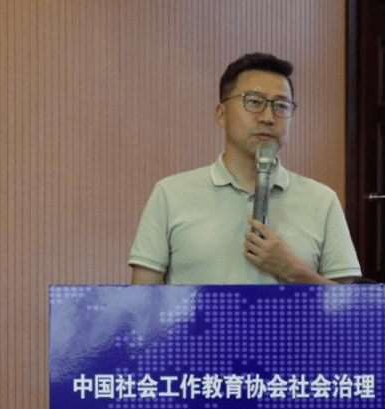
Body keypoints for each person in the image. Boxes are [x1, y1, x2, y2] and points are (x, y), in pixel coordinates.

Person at [128, 53, 362, 285]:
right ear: (221, 114)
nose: (268, 117)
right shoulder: (170, 194)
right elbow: (143, 298)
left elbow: (346, 304)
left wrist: (293, 271)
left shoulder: (322, 201)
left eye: (281, 106)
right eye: (254, 102)